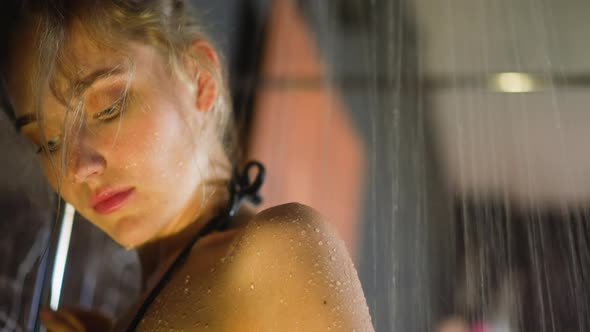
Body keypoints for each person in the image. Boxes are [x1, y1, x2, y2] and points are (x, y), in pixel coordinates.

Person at [0, 0, 374, 331]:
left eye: (108, 108)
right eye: (47, 142)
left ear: (199, 77)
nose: (77, 167)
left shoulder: (280, 250)